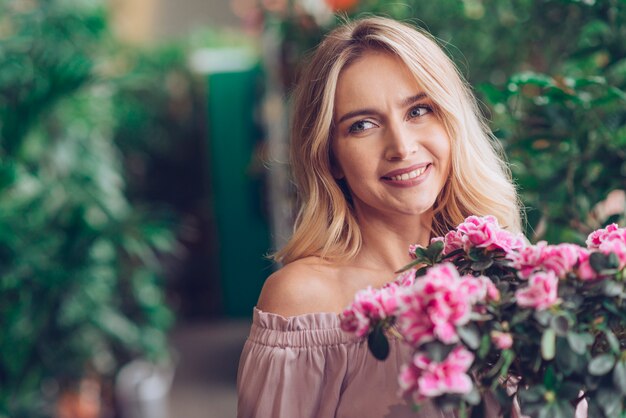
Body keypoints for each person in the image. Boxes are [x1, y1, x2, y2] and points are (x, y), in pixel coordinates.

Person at [237, 16, 522, 418]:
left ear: (450, 121)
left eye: (419, 110)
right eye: (363, 125)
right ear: (330, 156)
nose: (402, 147)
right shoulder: (303, 301)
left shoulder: (504, 264)